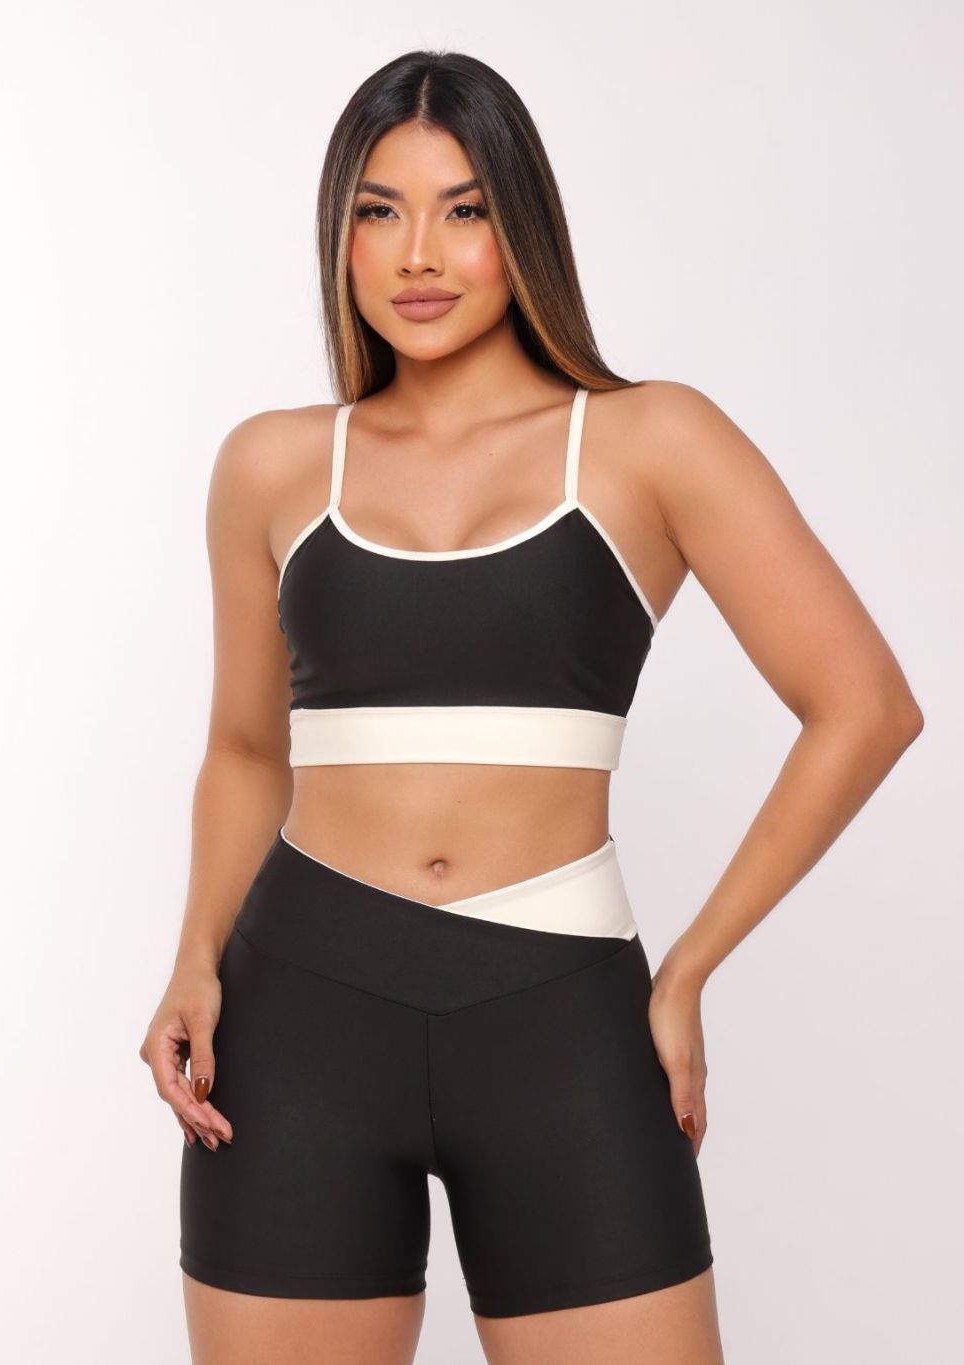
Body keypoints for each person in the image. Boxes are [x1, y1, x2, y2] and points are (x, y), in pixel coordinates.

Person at [139, 49, 924, 1365]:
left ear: (525, 227)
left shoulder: (650, 441)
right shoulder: (272, 466)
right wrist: (192, 962)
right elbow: (243, 748)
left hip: (561, 1017)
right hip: (297, 1021)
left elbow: (866, 706)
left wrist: (688, 969)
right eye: (379, 211)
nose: (418, 253)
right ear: (340, 236)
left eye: (465, 209)